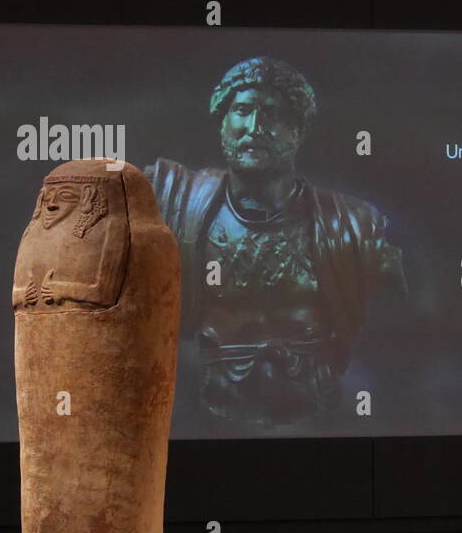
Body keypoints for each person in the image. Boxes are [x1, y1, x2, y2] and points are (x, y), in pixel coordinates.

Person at [147, 57, 404, 427]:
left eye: (271, 114)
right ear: (223, 123)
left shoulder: (351, 223)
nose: (255, 127)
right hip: (210, 414)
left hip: (317, 417)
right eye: (242, 110)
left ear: (297, 131)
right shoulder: (175, 200)